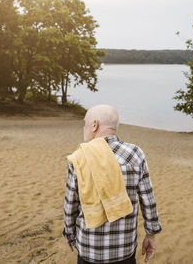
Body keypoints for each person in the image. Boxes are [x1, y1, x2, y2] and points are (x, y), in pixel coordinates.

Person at [63, 104, 162, 263]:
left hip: (89, 248)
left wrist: (69, 233)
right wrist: (150, 234)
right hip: (124, 250)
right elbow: (148, 201)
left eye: (85, 123)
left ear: (94, 125)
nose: (84, 128)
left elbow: (71, 205)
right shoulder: (135, 154)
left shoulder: (79, 157)